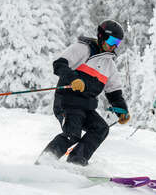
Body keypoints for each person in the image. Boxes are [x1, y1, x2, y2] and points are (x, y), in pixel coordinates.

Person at [36, 20, 130, 166]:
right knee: (72, 135)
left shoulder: (109, 64)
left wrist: (122, 110)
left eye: (118, 43)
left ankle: (76, 161)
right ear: (101, 36)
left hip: (86, 107)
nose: (114, 46)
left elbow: (114, 92)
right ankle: (43, 163)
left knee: (101, 128)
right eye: (112, 40)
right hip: (67, 102)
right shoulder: (83, 49)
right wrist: (73, 79)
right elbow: (59, 64)